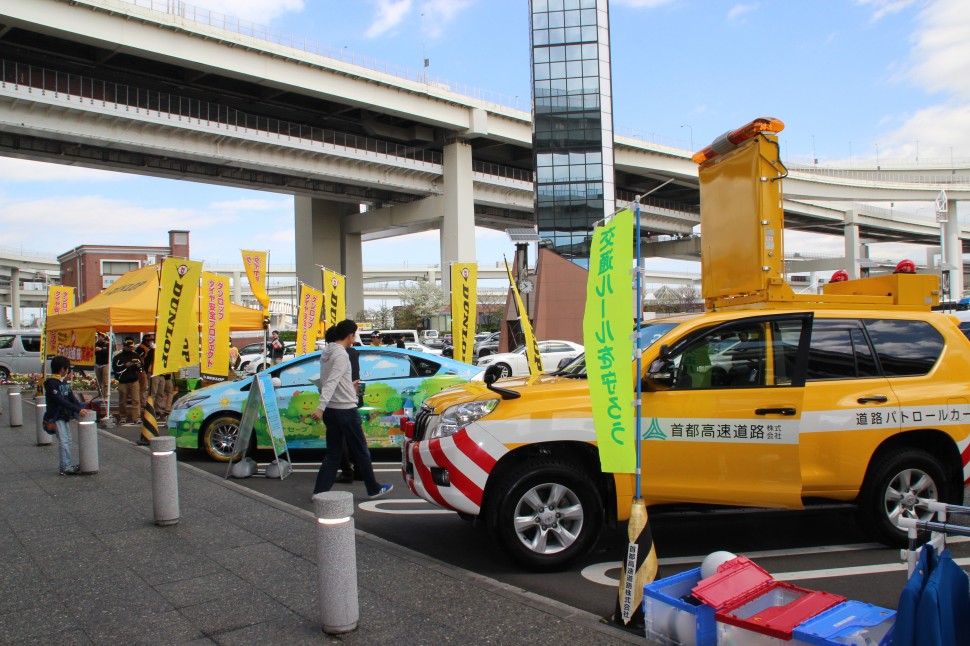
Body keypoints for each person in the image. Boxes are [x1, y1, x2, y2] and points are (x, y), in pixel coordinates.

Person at [311, 319, 392, 499]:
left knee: (333, 454)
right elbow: (332, 381)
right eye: (354, 335)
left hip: (332, 410)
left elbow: (327, 380)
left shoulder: (327, 353)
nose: (354, 339)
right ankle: (373, 488)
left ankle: (319, 492)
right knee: (361, 450)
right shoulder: (341, 355)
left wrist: (324, 405)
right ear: (349, 335)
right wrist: (319, 407)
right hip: (345, 409)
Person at [44, 355, 91, 475]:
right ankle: (65, 466)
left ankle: (67, 464)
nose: (68, 370)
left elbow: (71, 397)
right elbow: (60, 400)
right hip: (55, 416)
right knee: (64, 440)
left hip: (63, 416)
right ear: (62, 369)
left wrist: (81, 408)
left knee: (68, 439)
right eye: (67, 368)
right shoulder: (51, 383)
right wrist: (77, 409)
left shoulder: (63, 382)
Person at [112, 337, 142, 424]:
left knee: (136, 400)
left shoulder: (136, 355)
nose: (130, 348)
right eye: (128, 346)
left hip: (134, 380)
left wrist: (138, 367)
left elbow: (141, 369)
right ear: (124, 346)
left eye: (131, 346)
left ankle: (136, 418)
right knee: (122, 400)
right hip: (123, 381)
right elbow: (115, 368)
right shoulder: (118, 357)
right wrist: (125, 365)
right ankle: (123, 417)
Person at [136, 333, 155, 408]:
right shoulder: (141, 348)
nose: (150, 342)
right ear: (146, 341)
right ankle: (142, 402)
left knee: (146, 387)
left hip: (147, 369)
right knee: (143, 387)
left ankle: (144, 401)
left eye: (151, 340)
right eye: (149, 340)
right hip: (142, 369)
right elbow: (140, 357)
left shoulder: (148, 348)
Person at [94, 332, 110, 398]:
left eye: (100, 336)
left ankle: (105, 395)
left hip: (105, 364)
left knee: (105, 380)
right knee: (98, 381)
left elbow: (108, 353)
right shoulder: (96, 344)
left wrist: (100, 350)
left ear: (103, 337)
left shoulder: (107, 344)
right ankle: (99, 394)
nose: (98, 337)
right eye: (98, 336)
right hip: (98, 364)